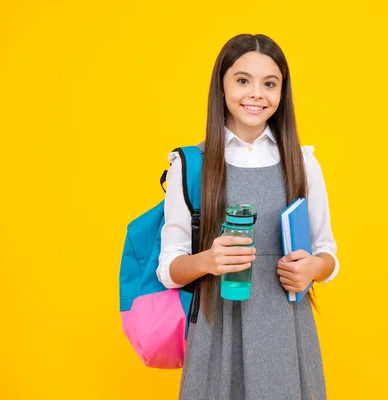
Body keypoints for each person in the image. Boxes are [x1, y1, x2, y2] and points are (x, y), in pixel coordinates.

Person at [157, 33, 340, 400]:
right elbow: (169, 268)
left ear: (281, 93)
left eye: (269, 84)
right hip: (217, 330)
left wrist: (312, 269)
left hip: (286, 332)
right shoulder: (190, 164)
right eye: (243, 80)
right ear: (221, 86)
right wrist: (208, 260)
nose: (256, 93)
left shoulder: (303, 164)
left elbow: (328, 253)